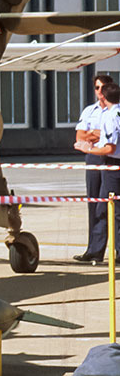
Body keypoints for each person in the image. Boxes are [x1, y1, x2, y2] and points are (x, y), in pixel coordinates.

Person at [73, 76, 120, 262]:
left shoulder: (111, 114)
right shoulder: (89, 111)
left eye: (102, 88)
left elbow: (106, 143)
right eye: (96, 87)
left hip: (107, 157)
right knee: (96, 204)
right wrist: (94, 136)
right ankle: (95, 249)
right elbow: (80, 135)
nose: (99, 91)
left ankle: (117, 249)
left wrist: (92, 139)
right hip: (95, 158)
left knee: (110, 205)